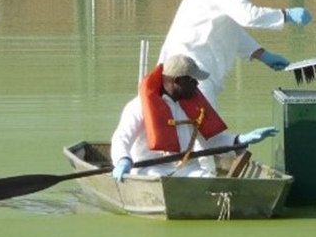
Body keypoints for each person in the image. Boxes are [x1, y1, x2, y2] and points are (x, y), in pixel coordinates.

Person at [158, 0, 312, 107]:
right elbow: (247, 16)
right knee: (202, 126)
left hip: (200, 67)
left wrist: (262, 55)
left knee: (202, 126)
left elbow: (230, 30)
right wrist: (286, 15)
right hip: (188, 68)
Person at [110, 54, 277, 181]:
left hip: (187, 168)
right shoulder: (139, 106)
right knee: (159, 182)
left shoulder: (193, 106)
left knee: (210, 181)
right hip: (149, 169)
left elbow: (210, 142)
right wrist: (123, 160)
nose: (197, 85)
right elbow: (121, 138)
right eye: (192, 80)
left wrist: (240, 139)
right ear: (177, 81)